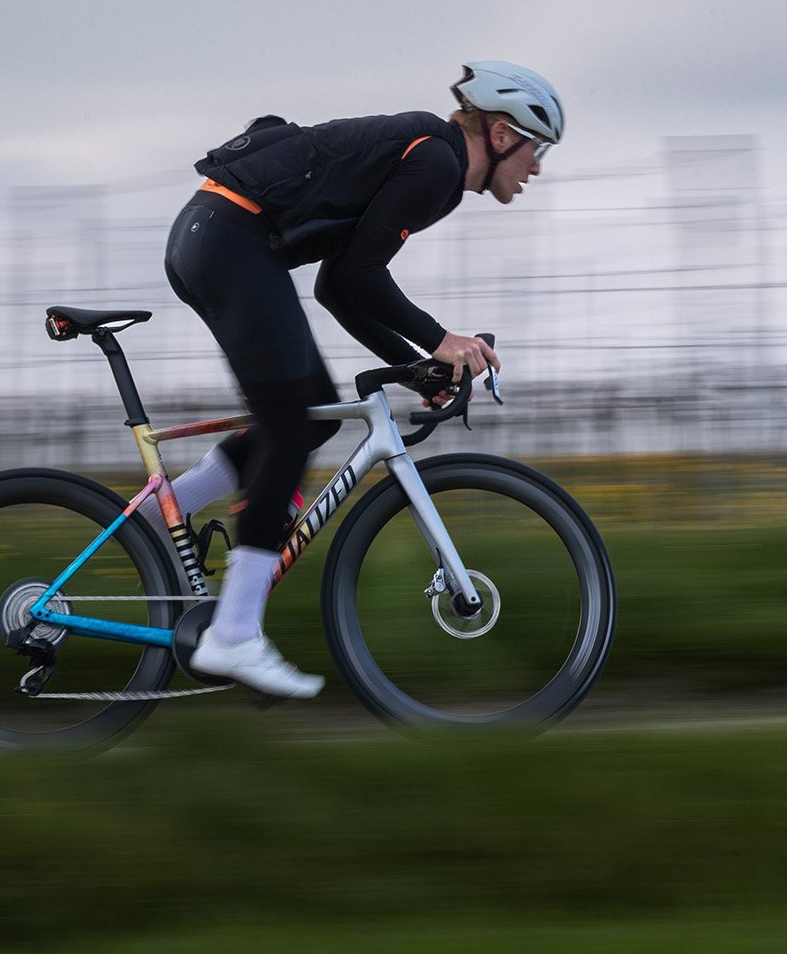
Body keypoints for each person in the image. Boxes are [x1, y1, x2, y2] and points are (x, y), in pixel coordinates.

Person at [151, 61, 564, 698]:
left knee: (306, 417)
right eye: (536, 150)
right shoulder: (438, 162)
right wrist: (441, 340)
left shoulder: (432, 159)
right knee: (292, 427)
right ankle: (233, 635)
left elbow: (340, 284)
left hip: (216, 237)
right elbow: (363, 279)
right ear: (504, 134)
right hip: (230, 237)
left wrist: (419, 368)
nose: (536, 168)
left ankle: (154, 520)